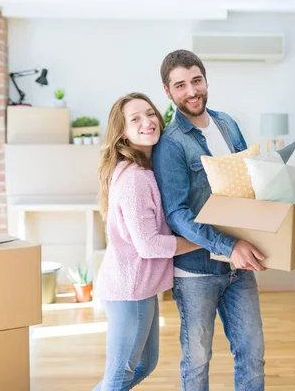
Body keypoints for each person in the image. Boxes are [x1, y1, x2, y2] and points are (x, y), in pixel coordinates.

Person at [152, 50, 267, 391]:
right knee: (198, 361)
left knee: (252, 354)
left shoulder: (227, 124)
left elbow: (251, 183)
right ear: (168, 91)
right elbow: (177, 213)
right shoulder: (171, 143)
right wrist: (229, 245)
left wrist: (263, 240)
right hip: (196, 271)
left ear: (206, 79)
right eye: (181, 85)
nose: (191, 91)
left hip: (239, 268)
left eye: (196, 80)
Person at [94, 92, 200, 390]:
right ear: (123, 133)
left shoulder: (144, 169)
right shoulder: (136, 178)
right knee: (118, 378)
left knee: (144, 364)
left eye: (150, 114)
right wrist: (204, 241)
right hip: (131, 291)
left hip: (139, 287)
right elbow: (149, 245)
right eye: (135, 119)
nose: (147, 122)